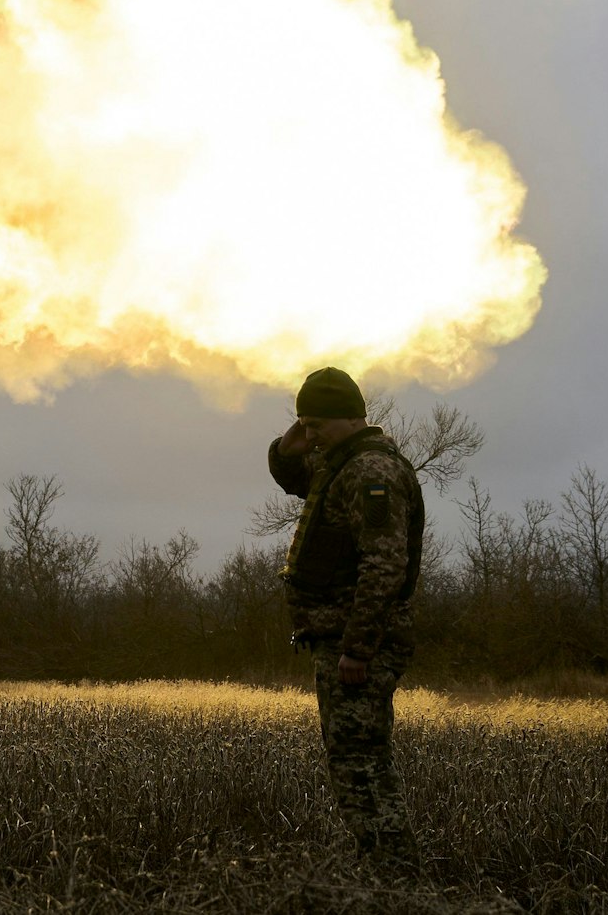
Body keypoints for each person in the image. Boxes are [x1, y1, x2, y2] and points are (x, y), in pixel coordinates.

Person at [269, 367, 425, 866]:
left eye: (316, 424)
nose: (308, 435)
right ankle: (383, 869)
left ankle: (395, 875)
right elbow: (295, 478)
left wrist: (358, 649)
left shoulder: (369, 472)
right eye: (304, 425)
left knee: (361, 764)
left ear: (346, 419)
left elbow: (384, 566)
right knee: (353, 761)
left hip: (357, 645)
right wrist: (289, 440)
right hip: (339, 640)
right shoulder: (341, 464)